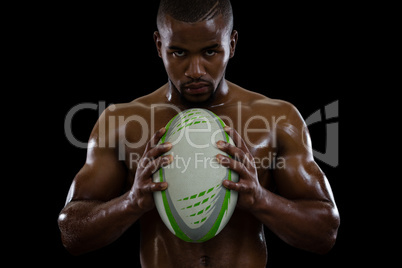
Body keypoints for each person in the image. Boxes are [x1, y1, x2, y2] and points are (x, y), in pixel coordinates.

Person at [58, 0, 340, 267]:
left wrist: (259, 199)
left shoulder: (277, 119)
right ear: (159, 45)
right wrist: (131, 203)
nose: (195, 70)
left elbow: (326, 231)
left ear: (232, 44)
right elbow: (71, 231)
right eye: (178, 52)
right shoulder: (121, 123)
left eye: (210, 51)